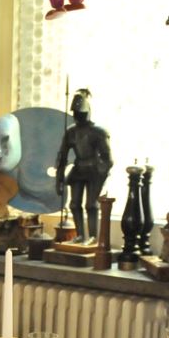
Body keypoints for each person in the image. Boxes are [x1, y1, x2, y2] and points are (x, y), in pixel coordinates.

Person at [54, 89, 112, 243]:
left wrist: (102, 175)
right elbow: (62, 157)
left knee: (91, 205)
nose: (78, 116)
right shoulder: (71, 132)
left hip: (94, 170)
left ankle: (93, 237)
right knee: (74, 204)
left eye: (81, 113)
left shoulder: (98, 132)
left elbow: (108, 159)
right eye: (76, 113)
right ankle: (80, 235)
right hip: (79, 168)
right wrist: (59, 179)